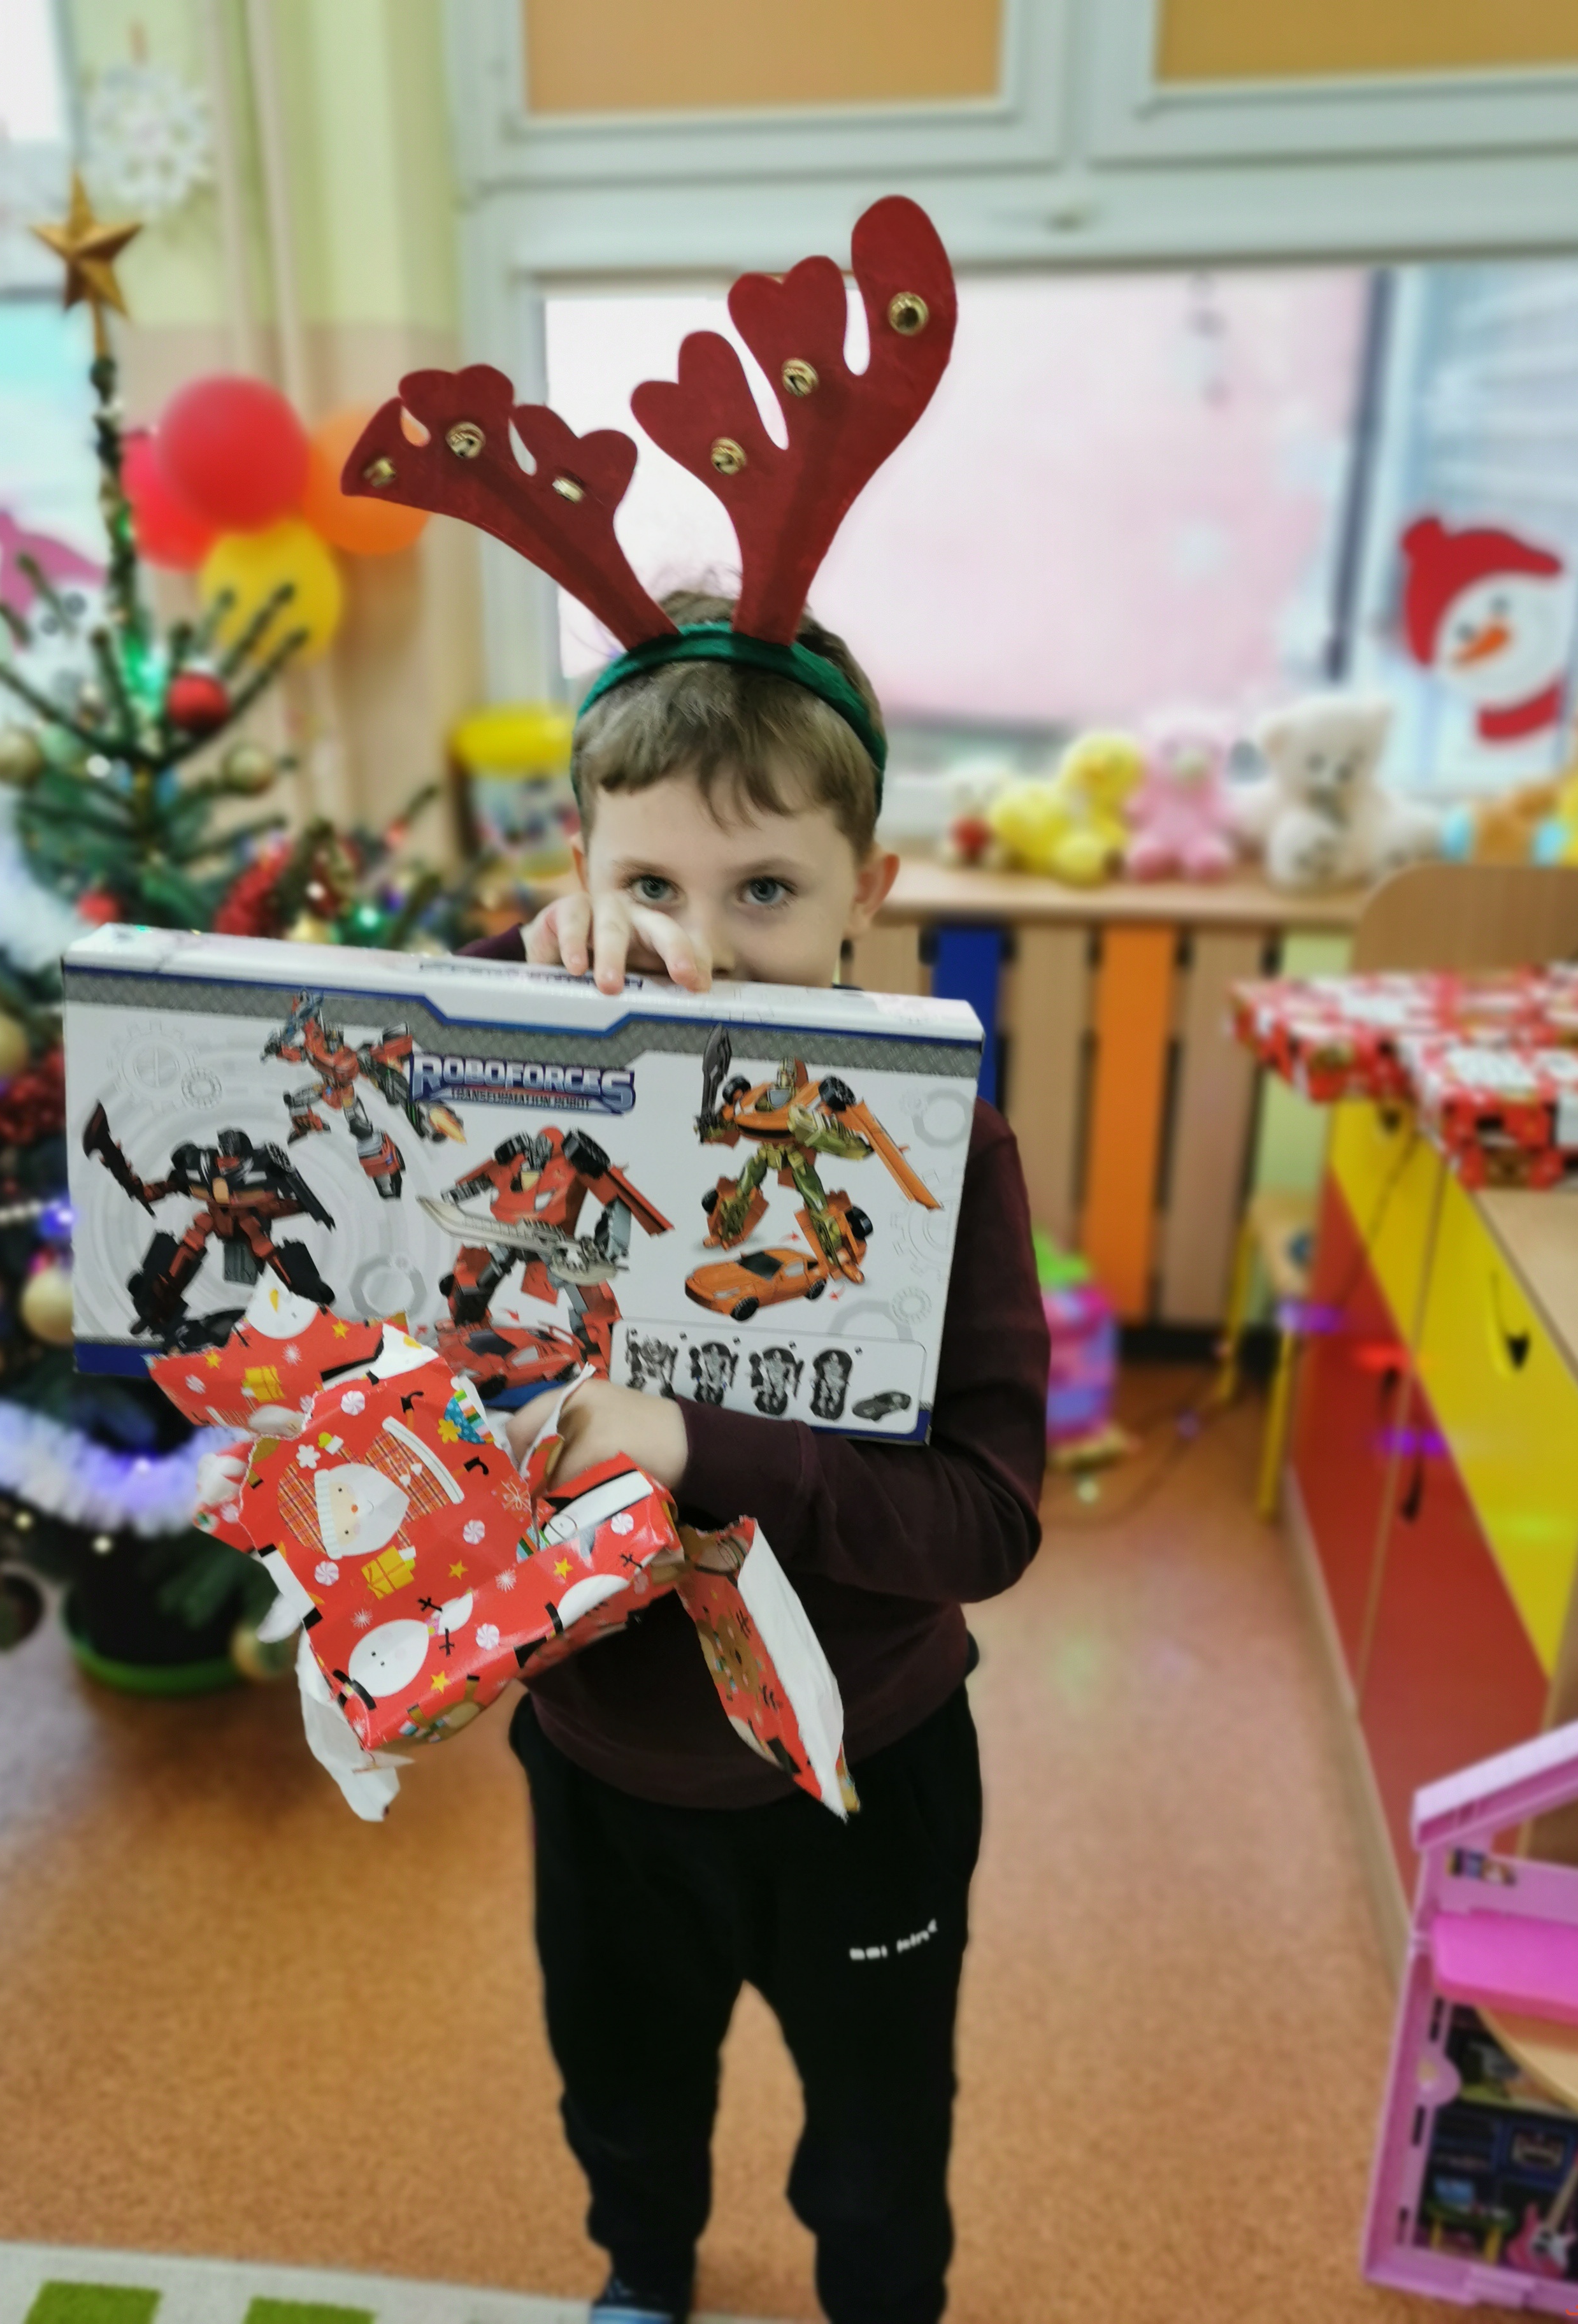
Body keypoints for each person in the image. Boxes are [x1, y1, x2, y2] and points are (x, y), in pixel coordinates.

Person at [464, 587, 1051, 2324]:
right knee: (622, 2085)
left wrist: (693, 1442)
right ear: (581, 868)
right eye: (649, 885)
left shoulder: (952, 1147)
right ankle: (645, 2273)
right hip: (598, 1759)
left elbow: (986, 1520)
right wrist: (529, 967)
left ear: (869, 890)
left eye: (767, 891)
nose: (701, 944)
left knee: (878, 2140)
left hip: (863, 1771)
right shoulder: (529, 1065)